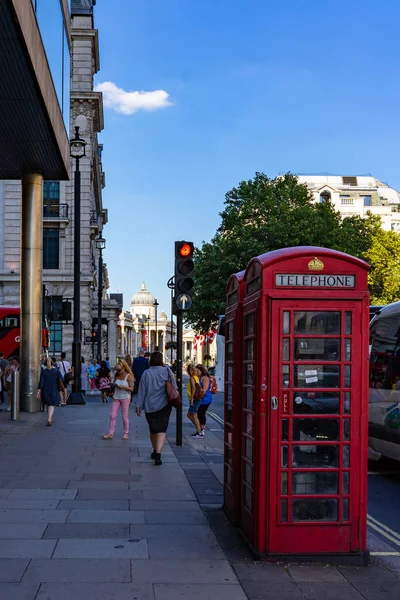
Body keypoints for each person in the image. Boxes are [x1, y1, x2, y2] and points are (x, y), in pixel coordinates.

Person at [136, 351, 176, 465]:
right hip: (165, 405)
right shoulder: (167, 371)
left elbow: (141, 390)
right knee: (162, 430)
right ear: (161, 360)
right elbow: (175, 387)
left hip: (150, 406)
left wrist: (138, 405)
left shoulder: (146, 373)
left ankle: (155, 450)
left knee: (153, 429)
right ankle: (158, 454)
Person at [102, 359, 133, 441]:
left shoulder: (129, 376)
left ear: (123, 367)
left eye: (119, 370)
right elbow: (114, 384)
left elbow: (132, 389)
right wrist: (112, 385)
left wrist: (124, 387)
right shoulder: (116, 375)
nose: (118, 372)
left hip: (125, 397)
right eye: (117, 370)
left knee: (124, 416)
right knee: (112, 415)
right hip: (116, 397)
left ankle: (126, 433)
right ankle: (110, 433)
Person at [37, 358, 65, 426]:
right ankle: (49, 419)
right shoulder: (56, 371)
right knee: (52, 405)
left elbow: (41, 383)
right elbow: (62, 378)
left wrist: (38, 392)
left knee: (48, 404)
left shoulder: (44, 372)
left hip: (45, 390)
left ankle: (49, 418)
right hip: (54, 390)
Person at [196, 364, 213, 436]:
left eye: (197, 370)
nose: (196, 372)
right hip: (201, 398)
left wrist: (198, 397)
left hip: (205, 398)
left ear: (201, 371)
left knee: (201, 413)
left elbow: (204, 390)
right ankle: (199, 429)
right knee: (198, 414)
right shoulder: (199, 377)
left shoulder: (205, 378)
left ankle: (201, 431)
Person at [186, 364, 202, 437]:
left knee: (194, 415)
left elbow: (194, 389)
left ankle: (199, 432)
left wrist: (192, 399)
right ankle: (198, 429)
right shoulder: (196, 377)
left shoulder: (192, 378)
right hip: (196, 399)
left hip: (194, 399)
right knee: (189, 415)